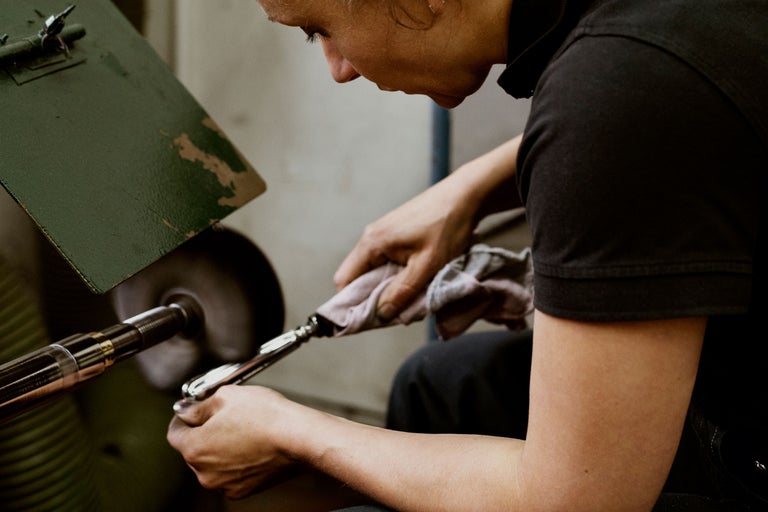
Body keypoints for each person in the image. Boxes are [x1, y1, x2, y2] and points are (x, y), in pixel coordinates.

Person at [167, 0, 768, 510]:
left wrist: (295, 433)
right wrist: (474, 188)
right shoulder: (642, 40)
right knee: (444, 383)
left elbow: (573, 501)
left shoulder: (613, 94)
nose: (338, 68)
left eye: (319, 27)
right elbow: (684, 109)